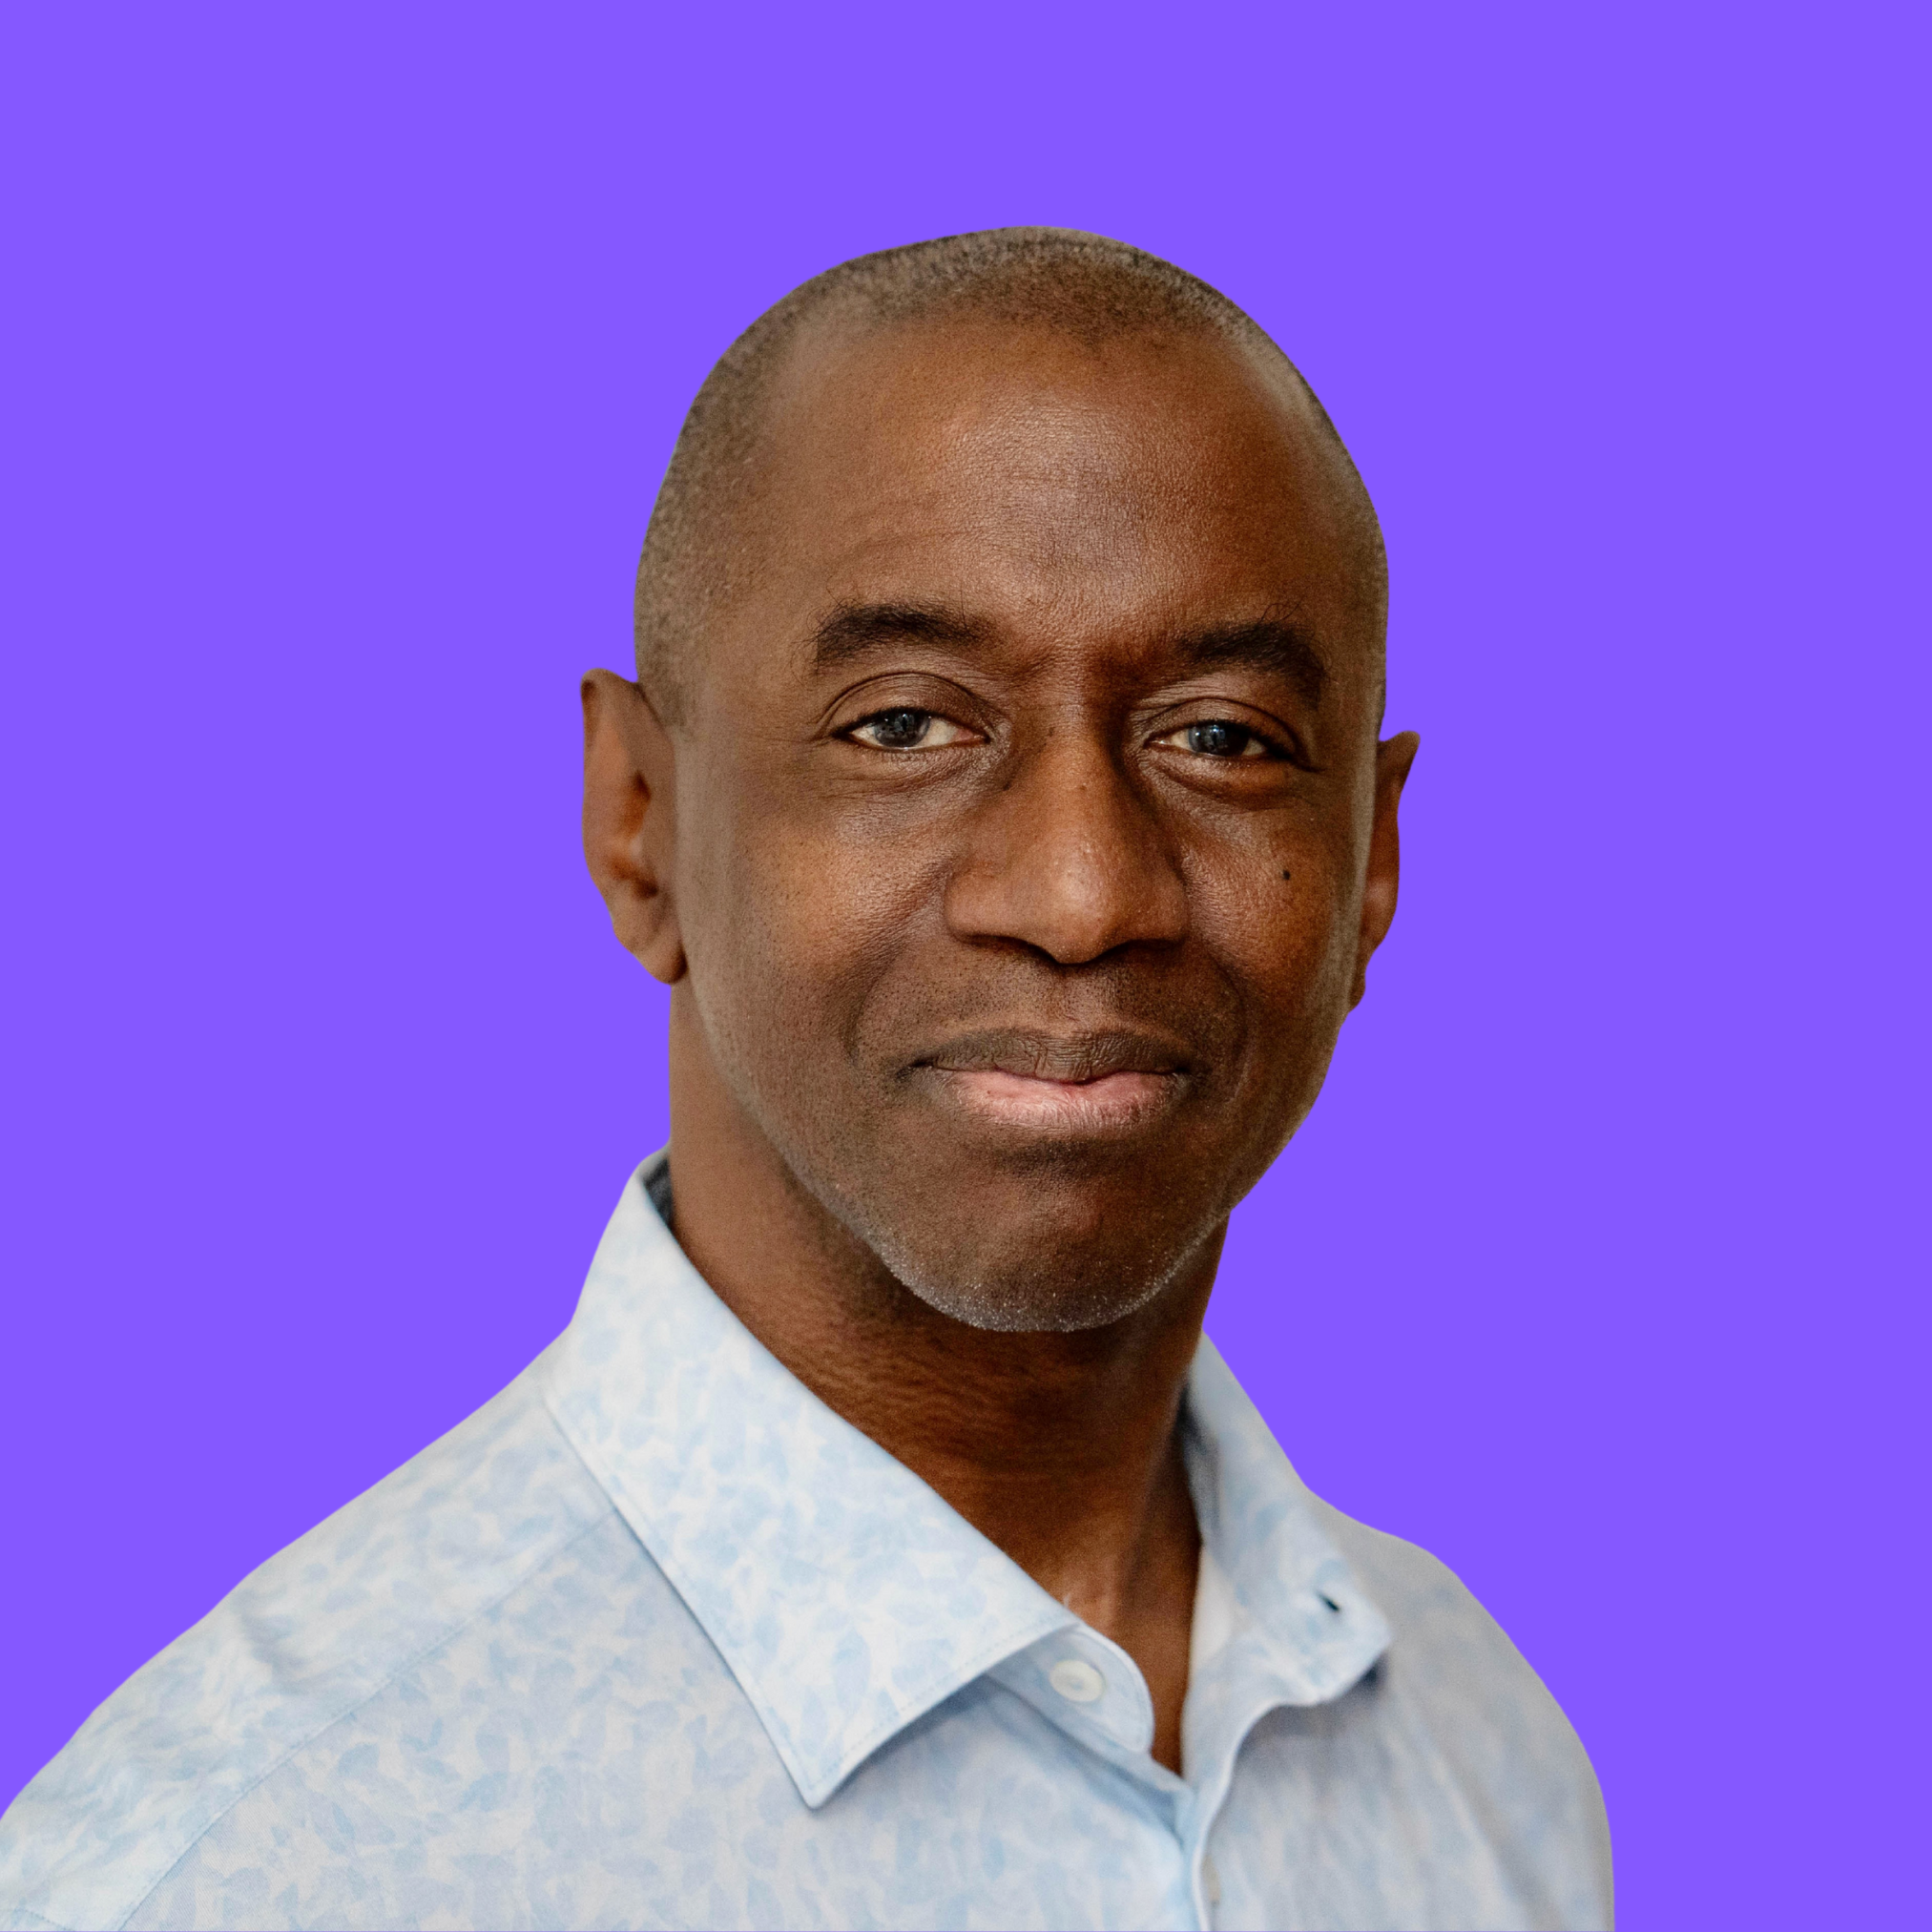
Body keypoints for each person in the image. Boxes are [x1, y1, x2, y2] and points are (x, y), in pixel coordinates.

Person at [0, 229, 1610, 1932]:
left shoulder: (1483, 1749)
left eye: (1221, 736)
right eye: (903, 725)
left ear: (1372, 864)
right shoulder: (249, 1869)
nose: (1082, 894)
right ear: (639, 824)